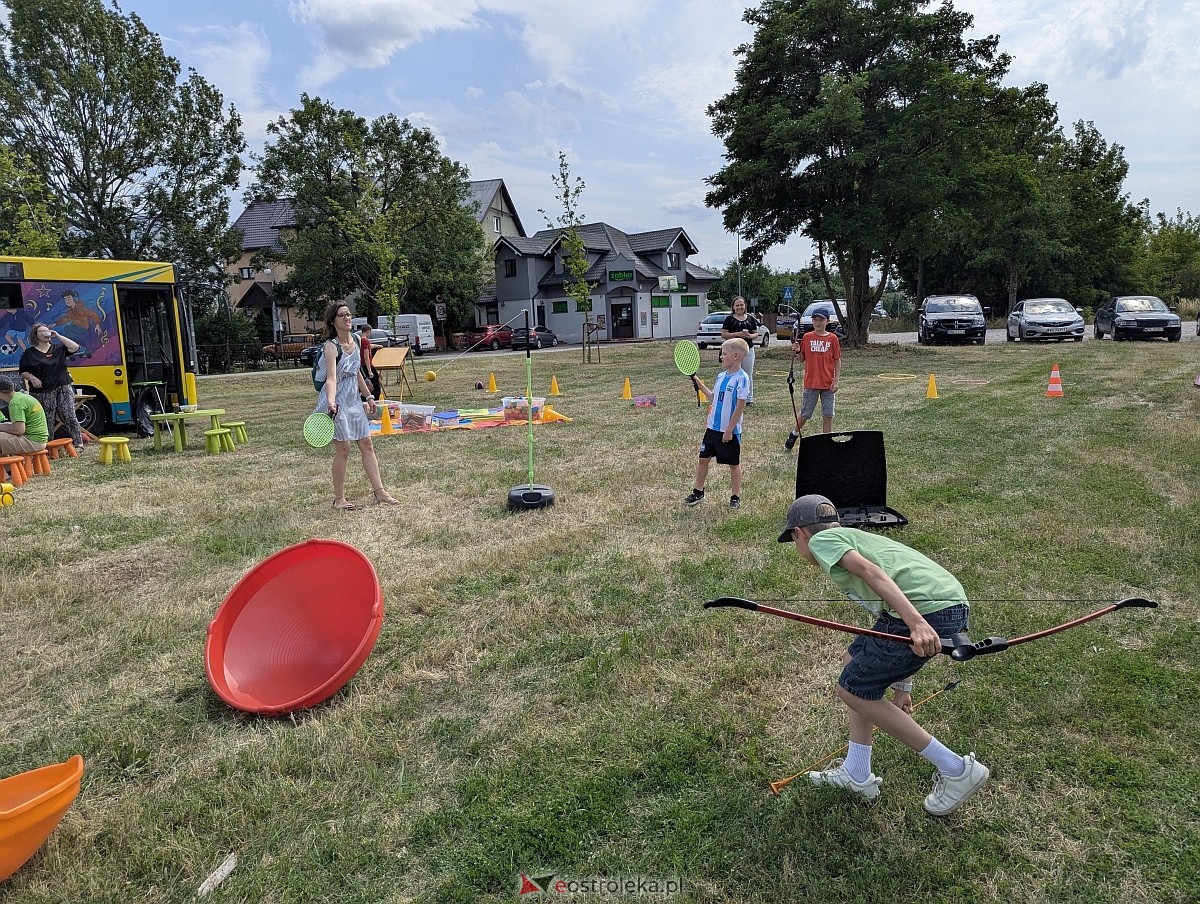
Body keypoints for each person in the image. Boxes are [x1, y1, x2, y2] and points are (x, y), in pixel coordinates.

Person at [778, 494, 989, 815]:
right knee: (853, 664)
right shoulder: (851, 535)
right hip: (945, 602)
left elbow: (871, 573)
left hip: (924, 611)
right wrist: (902, 687)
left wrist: (916, 622)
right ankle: (856, 772)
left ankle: (957, 769)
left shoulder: (822, 541)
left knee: (853, 689)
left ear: (799, 534)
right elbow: (894, 622)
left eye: (793, 541)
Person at [314, 302, 399, 510]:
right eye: (342, 315)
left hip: (353, 401)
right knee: (344, 449)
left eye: (349, 314)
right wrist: (332, 401)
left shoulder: (356, 340)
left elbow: (356, 372)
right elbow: (331, 379)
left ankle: (380, 492)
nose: (347, 318)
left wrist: (369, 396)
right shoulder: (331, 347)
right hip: (335, 402)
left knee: (367, 444)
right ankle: (339, 499)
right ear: (333, 321)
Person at [684, 337, 750, 509]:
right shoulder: (721, 376)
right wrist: (699, 385)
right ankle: (698, 492)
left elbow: (740, 406)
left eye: (724, 354)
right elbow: (714, 398)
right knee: (703, 459)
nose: (721, 356)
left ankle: (735, 497)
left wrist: (729, 430)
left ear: (736, 356)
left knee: (733, 464)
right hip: (712, 428)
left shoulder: (742, 379)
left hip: (729, 431)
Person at [18, 321, 85, 451]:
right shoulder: (29, 353)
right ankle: (48, 446)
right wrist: (32, 378)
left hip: (63, 386)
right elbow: (23, 371)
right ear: (35, 336)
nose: (45, 333)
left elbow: (75, 348)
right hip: (42, 390)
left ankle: (78, 444)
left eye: (46, 330)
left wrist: (58, 335)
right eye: (41, 331)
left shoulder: (58, 348)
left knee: (68, 414)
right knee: (47, 417)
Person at [784, 307, 840, 451]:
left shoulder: (832, 338)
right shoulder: (808, 337)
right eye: (815, 319)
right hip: (811, 382)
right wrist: (796, 350)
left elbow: (837, 360)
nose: (818, 322)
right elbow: (802, 359)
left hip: (828, 383)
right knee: (806, 413)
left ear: (827, 321)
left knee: (828, 414)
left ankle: (826, 443)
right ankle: (794, 433)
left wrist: (836, 380)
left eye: (821, 320)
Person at [721, 296, 760, 405]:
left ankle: (748, 399)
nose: (739, 307)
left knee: (747, 374)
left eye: (741, 305)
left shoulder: (751, 319)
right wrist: (737, 334)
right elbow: (724, 334)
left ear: (745, 306)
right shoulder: (729, 319)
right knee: (733, 373)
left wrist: (750, 336)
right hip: (732, 351)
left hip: (748, 350)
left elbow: (756, 333)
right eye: (737, 305)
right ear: (733, 307)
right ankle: (732, 397)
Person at [0, 374, 50, 455]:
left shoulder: (15, 403)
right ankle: (9, 466)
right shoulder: (22, 397)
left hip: (34, 442)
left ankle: (8, 467)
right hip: (40, 439)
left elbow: (18, 430)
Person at [359, 330, 382, 401]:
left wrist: (377, 346)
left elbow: (369, 346)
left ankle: (364, 398)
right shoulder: (366, 341)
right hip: (367, 366)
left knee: (369, 384)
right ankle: (375, 400)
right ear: (368, 331)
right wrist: (369, 371)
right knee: (376, 385)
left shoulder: (359, 341)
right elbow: (366, 357)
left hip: (361, 367)